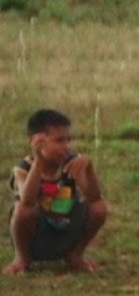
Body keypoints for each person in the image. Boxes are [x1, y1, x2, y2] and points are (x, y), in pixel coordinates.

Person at [6, 109, 109, 275]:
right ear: (37, 142)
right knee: (22, 210)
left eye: (69, 140)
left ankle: (75, 255)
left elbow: (94, 198)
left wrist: (88, 169)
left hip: (66, 228)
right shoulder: (23, 168)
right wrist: (38, 161)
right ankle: (22, 258)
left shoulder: (72, 163)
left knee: (99, 207)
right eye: (59, 141)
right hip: (36, 235)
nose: (66, 146)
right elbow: (27, 200)